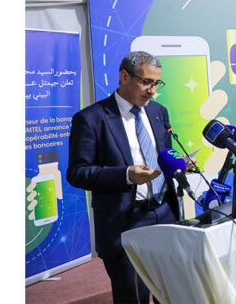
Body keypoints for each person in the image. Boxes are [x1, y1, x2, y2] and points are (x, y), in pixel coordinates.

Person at [67, 51, 179, 303]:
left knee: (171, 292)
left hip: (165, 213)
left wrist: (179, 165)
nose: (152, 90)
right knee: (134, 297)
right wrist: (126, 175)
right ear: (124, 76)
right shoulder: (90, 119)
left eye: (157, 83)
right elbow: (77, 173)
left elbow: (164, 155)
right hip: (125, 222)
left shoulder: (159, 112)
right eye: (146, 82)